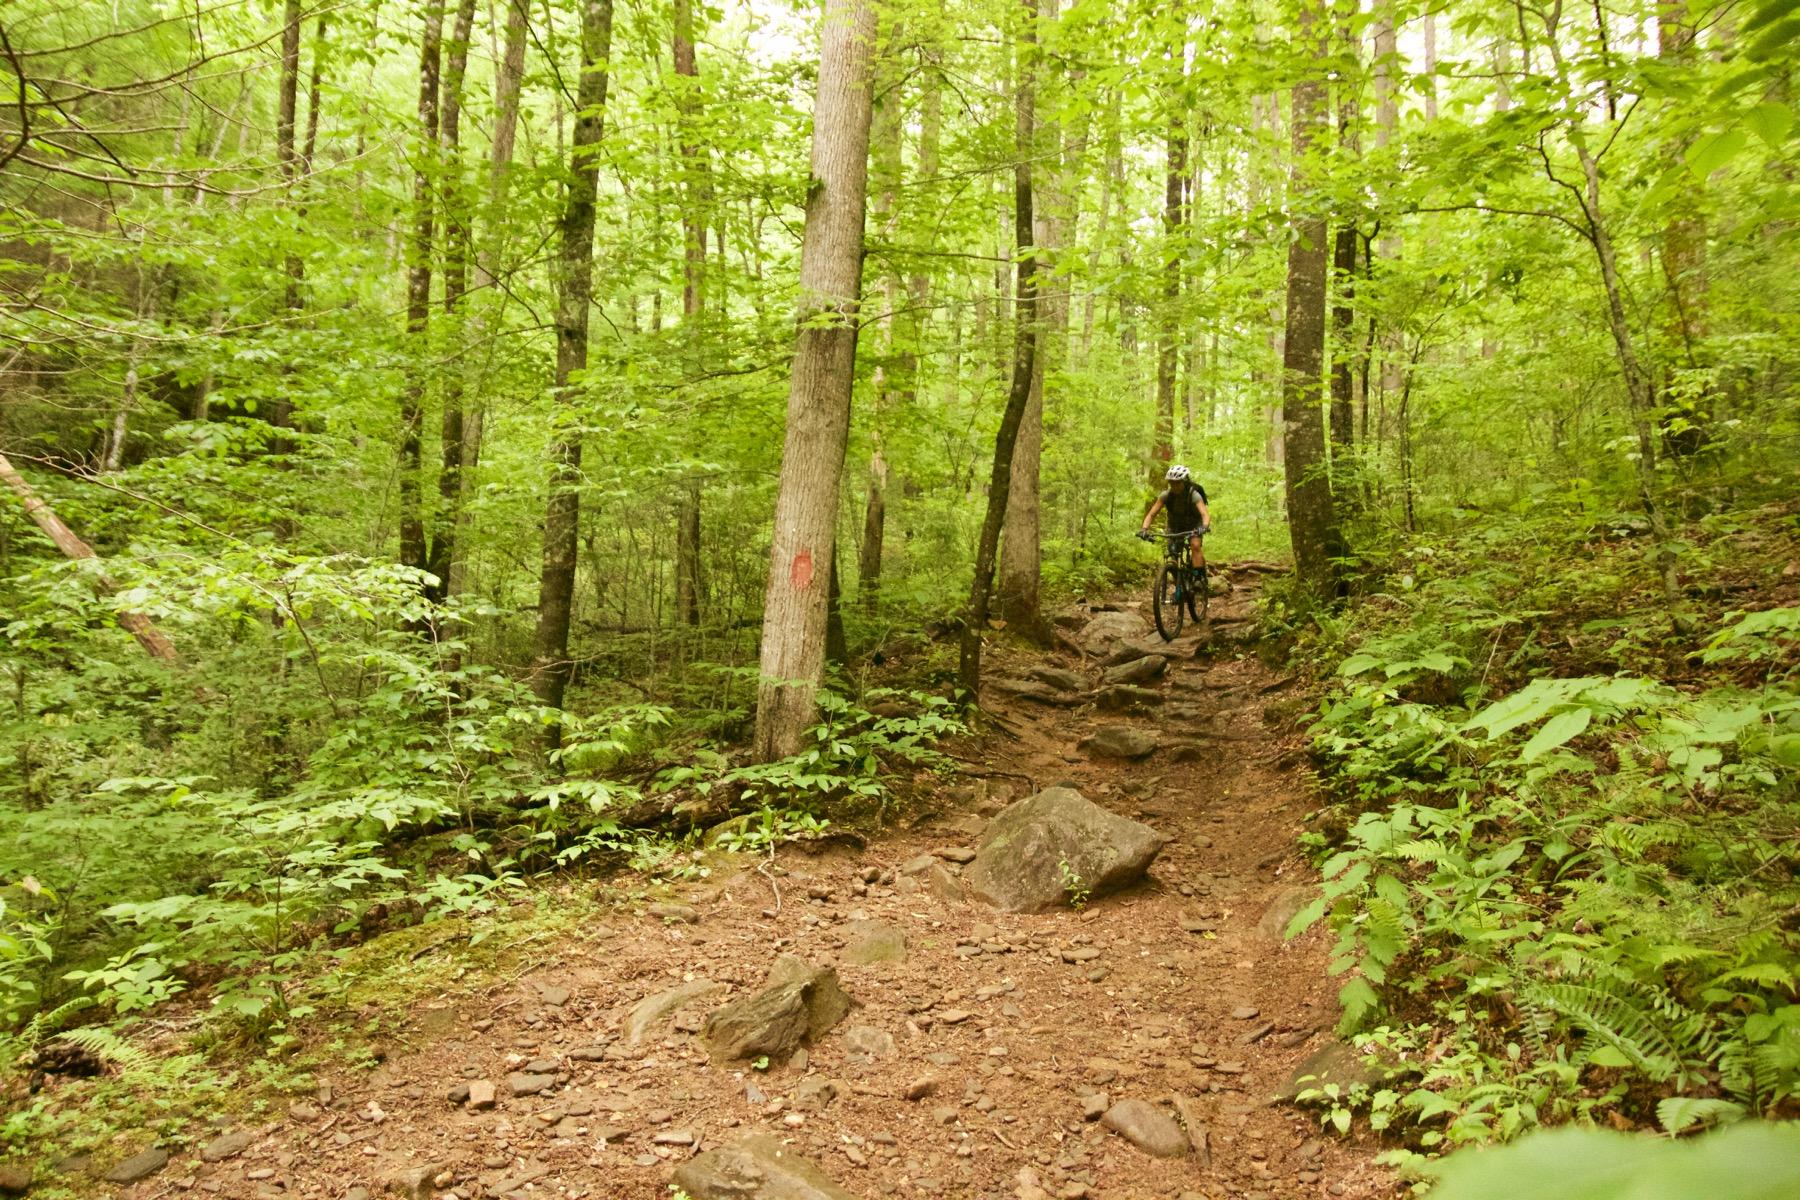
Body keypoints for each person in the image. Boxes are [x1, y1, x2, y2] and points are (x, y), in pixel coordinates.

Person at [1138, 464, 1212, 568]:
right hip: (1175, 525)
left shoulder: (1194, 494)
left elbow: (1205, 514)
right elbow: (1151, 514)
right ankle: (1175, 576)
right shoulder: (1166, 495)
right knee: (1172, 551)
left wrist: (1204, 527)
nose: (1174, 486)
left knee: (1195, 545)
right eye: (1171, 483)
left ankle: (1198, 577)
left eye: (1177, 483)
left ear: (1184, 482)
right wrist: (1144, 529)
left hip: (1194, 524)